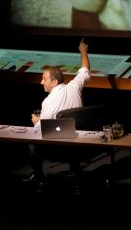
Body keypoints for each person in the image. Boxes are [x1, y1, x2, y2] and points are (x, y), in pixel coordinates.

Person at [26, 39, 91, 186]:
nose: (41, 82)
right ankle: (75, 170)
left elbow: (42, 130)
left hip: (60, 148)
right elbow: (85, 70)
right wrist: (83, 52)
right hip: (81, 142)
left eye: (44, 79)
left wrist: (37, 121)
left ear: (54, 82)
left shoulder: (48, 101)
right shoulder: (75, 86)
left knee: (31, 142)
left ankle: (39, 176)